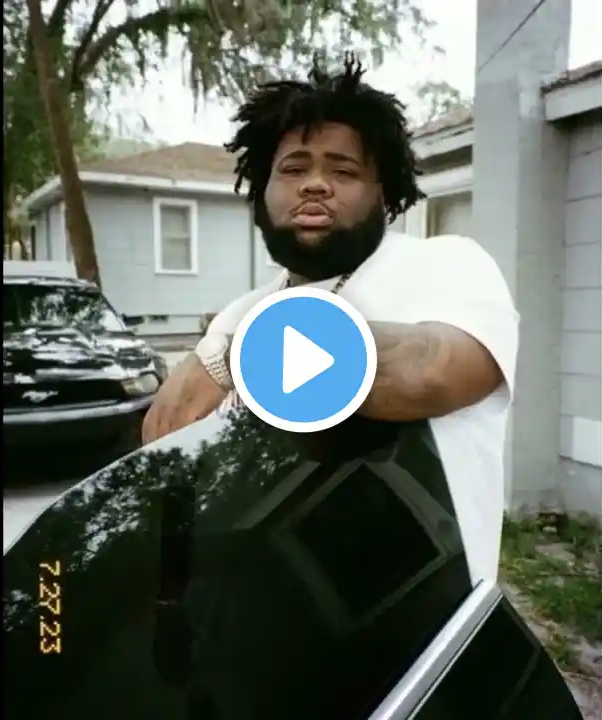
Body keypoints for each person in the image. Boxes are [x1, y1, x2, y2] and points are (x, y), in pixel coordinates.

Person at [140, 55, 519, 584]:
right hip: (260, 600)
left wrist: (235, 354)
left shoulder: (446, 263)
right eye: (293, 169)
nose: (315, 184)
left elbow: (434, 375)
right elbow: (163, 443)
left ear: (382, 193)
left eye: (343, 170)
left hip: (426, 610)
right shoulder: (241, 311)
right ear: (262, 190)